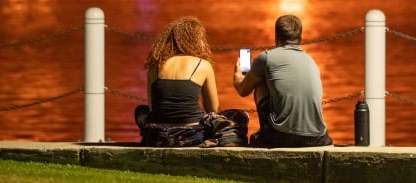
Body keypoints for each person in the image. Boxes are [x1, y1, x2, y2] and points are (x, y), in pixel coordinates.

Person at [134, 16, 248, 147]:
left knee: (141, 111)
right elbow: (213, 109)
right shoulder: (203, 65)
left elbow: (152, 107)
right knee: (239, 117)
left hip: (158, 135)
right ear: (197, 40)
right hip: (191, 135)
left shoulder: (155, 65)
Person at [232, 14, 332, 147]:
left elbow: (243, 90)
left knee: (261, 82)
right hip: (318, 137)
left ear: (276, 37)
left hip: (284, 137)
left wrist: (238, 76)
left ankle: (265, 133)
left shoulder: (266, 58)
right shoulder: (311, 61)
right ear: (300, 37)